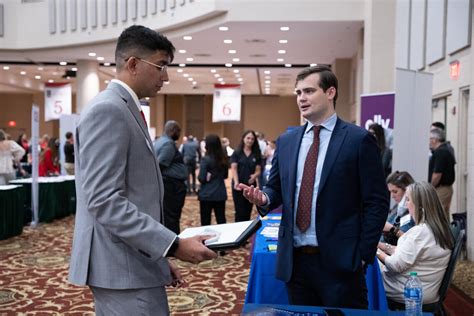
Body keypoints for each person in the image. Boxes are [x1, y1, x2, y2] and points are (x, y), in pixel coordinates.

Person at [68, 25, 217, 316]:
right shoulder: (109, 109)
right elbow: (104, 201)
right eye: (160, 66)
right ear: (133, 64)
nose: (166, 76)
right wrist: (173, 245)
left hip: (132, 260)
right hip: (119, 264)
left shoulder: (124, 107)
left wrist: (158, 257)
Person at [239, 65, 389, 308]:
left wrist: (363, 254)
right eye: (298, 93)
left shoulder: (358, 140)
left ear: (330, 92)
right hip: (295, 262)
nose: (301, 98)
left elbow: (377, 202)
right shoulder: (287, 140)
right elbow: (275, 189)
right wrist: (263, 199)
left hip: (342, 264)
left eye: (308, 91)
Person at [376, 181, 454, 308]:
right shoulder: (437, 229)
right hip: (425, 290)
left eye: (408, 200)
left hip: (408, 292)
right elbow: (407, 253)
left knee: (364, 272)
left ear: (419, 206)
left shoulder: (421, 232)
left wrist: (374, 251)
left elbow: (395, 265)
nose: (406, 204)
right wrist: (380, 246)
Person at [153, 120, 187, 234]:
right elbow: (161, 164)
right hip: (172, 185)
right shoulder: (168, 144)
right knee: (172, 217)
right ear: (173, 131)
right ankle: (174, 244)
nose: (179, 134)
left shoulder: (158, 141)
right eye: (178, 131)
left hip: (168, 183)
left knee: (168, 216)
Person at [230, 130, 262, 222]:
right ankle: (238, 232)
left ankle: (245, 233)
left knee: (248, 211)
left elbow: (258, 170)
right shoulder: (237, 152)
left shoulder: (256, 153)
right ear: (243, 139)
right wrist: (236, 183)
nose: (250, 140)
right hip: (238, 186)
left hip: (250, 186)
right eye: (248, 138)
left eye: (252, 139)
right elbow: (234, 168)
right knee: (239, 210)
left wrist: (254, 176)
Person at [197, 134, 228, 226]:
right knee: (221, 220)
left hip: (206, 194)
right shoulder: (224, 159)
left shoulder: (205, 159)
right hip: (220, 193)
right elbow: (225, 176)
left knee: (205, 221)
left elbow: (201, 178)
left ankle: (205, 240)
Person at [382, 171, 415, 245]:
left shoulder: (413, 212)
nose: (392, 196)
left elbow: (411, 242)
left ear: (407, 191)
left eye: (395, 191)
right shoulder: (397, 207)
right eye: (390, 192)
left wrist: (392, 229)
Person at [429, 128, 455, 219]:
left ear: (434, 140)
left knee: (437, 215)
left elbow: (437, 174)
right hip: (445, 188)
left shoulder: (440, 152)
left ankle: (440, 234)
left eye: (430, 139)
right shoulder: (447, 149)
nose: (429, 142)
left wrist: (430, 187)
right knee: (444, 216)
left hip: (441, 189)